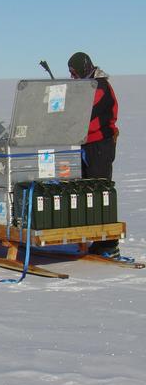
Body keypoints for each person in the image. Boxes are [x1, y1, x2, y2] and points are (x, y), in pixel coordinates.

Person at [68, 52, 120, 258]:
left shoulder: (99, 86)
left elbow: (84, 111)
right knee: (89, 192)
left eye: (74, 73)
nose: (72, 77)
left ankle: (109, 242)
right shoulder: (87, 86)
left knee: (101, 191)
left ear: (82, 68)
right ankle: (97, 239)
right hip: (87, 145)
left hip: (100, 145)